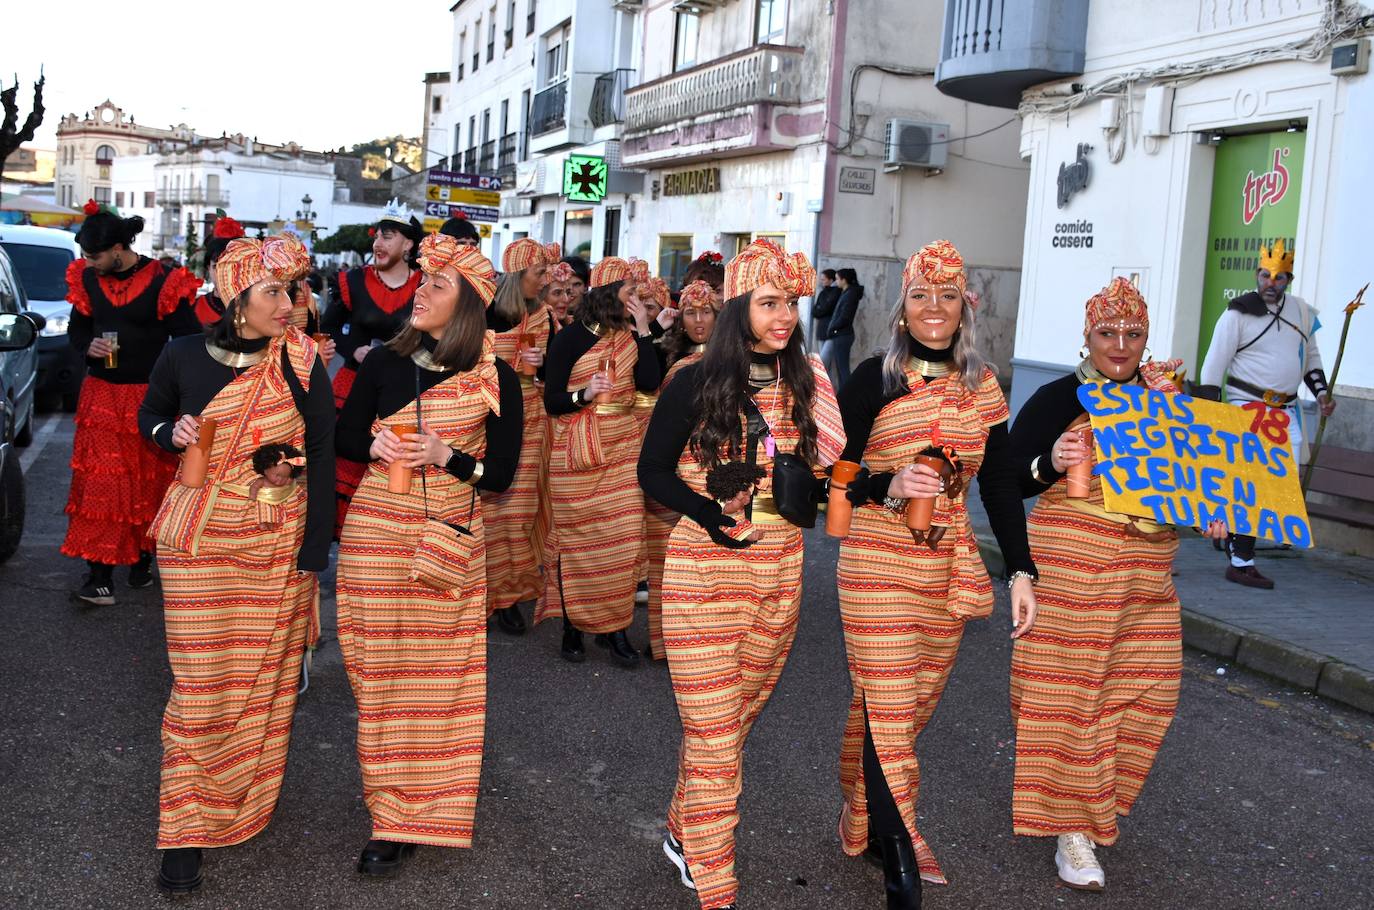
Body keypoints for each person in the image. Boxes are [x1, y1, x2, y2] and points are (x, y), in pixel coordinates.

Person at [638, 238, 844, 910]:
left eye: (789, 303)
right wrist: (705, 511)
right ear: (737, 308)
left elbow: (831, 473)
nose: (783, 316)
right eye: (767, 302)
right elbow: (652, 473)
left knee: (736, 718)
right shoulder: (694, 381)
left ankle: (681, 827)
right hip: (703, 572)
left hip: (782, 571)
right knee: (715, 732)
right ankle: (713, 872)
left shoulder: (810, 382)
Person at [832, 240, 1036, 908]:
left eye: (948, 296)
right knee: (890, 709)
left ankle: (864, 817)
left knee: (908, 705)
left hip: (946, 563)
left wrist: (1022, 573)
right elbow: (834, 475)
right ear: (902, 308)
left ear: (965, 309)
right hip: (875, 559)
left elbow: (1002, 484)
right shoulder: (872, 378)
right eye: (921, 295)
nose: (935, 308)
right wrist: (888, 483)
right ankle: (901, 863)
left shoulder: (985, 386)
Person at [1010, 276, 1228, 892]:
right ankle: (1073, 833)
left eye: (1133, 333)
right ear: (1088, 335)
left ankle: (1092, 801)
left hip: (1147, 573)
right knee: (1071, 696)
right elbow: (1009, 479)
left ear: (1147, 336)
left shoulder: (1170, 404)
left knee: (1149, 689)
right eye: (1108, 332)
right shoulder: (1059, 396)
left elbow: (1197, 486)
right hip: (1072, 570)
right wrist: (1048, 462)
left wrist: (1213, 511)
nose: (1121, 344)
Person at [139, 233, 333, 894]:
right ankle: (184, 828)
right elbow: (151, 414)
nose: (289, 303)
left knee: (257, 682)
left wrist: (313, 551)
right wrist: (173, 433)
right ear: (236, 299)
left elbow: (324, 454)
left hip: (274, 543)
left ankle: (236, 803)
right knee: (200, 686)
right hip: (197, 544)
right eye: (273, 291)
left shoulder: (303, 362)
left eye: (292, 289)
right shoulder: (183, 353)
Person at [334, 233, 523, 877]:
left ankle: (405, 818)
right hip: (373, 536)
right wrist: (376, 447)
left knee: (435, 683)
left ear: (467, 304)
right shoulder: (387, 361)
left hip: (446, 540)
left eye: (437, 285)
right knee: (378, 678)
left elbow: (499, 476)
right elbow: (346, 435)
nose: (421, 291)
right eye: (423, 282)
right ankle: (390, 801)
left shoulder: (495, 378)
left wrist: (449, 458)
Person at [62, 200, 202, 606]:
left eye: (95, 255)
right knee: (102, 486)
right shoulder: (87, 281)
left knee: (148, 482)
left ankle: (142, 561)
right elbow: (77, 329)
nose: (89, 263)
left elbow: (189, 339)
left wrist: (184, 391)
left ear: (119, 249)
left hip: (151, 397)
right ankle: (100, 575)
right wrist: (87, 345)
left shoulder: (164, 280)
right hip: (102, 396)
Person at [540, 256, 661, 667]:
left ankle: (616, 629)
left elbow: (648, 382)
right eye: (630, 293)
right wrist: (584, 395)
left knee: (624, 542)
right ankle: (574, 626)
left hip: (623, 448)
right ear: (609, 294)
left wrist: (644, 330)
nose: (637, 299)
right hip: (576, 453)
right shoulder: (570, 339)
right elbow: (552, 401)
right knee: (579, 547)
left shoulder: (631, 336)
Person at [1196, 239, 1333, 589]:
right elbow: (1213, 366)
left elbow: (1310, 359)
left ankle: (1229, 533)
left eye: (1279, 277)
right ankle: (1241, 561)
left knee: (1275, 486)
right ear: (1256, 273)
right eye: (1265, 275)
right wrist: (1212, 416)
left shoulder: (1302, 313)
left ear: (1289, 278)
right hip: (1247, 408)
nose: (1271, 282)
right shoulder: (1237, 313)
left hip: (1285, 412)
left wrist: (1321, 393)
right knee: (1254, 485)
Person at [322, 199, 424, 536]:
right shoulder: (353, 280)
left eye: (388, 236)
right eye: (377, 236)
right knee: (348, 461)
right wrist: (354, 349)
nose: (378, 244)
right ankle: (350, 535)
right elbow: (329, 325)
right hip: (352, 384)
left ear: (408, 244)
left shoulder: (426, 284)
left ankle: (388, 533)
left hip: (402, 389)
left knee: (395, 462)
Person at [485, 238, 561, 635]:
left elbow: (558, 372)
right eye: (539, 273)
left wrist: (543, 364)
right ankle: (484, 590)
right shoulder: (485, 310)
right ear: (517, 276)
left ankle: (511, 592)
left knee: (520, 508)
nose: (546, 280)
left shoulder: (546, 316)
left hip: (531, 414)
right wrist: (508, 363)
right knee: (487, 508)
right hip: (489, 411)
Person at [642, 280, 719, 661]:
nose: (699, 320)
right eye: (691, 312)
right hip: (666, 467)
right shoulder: (668, 356)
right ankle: (664, 640)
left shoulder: (726, 364)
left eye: (707, 312)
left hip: (703, 470)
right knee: (663, 559)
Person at [821, 267, 863, 389]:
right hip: (840, 334)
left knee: (843, 368)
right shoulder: (846, 293)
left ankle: (847, 394)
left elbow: (844, 317)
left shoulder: (850, 295)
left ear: (844, 280)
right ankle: (842, 393)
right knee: (840, 368)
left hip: (842, 335)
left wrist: (832, 328)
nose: (836, 282)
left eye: (838, 279)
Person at [811, 268, 840, 342]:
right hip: (822, 327)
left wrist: (821, 309)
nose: (821, 282)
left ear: (831, 280)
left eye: (824, 279)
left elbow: (828, 308)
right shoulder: (823, 293)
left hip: (831, 328)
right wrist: (821, 309)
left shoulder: (837, 292)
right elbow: (814, 311)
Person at [559, 254, 590, 322]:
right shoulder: (546, 318)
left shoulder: (595, 318)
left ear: (586, 287)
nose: (570, 290)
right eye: (565, 283)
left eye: (576, 284)